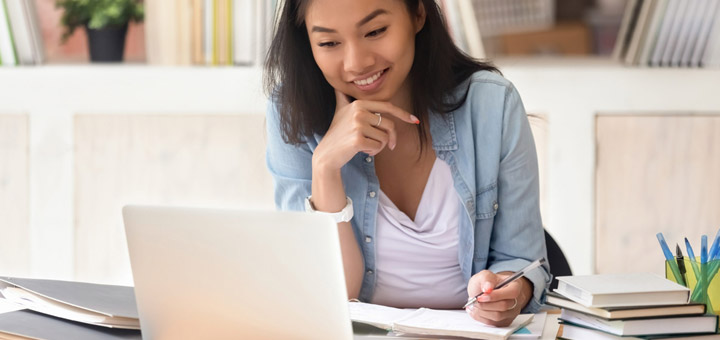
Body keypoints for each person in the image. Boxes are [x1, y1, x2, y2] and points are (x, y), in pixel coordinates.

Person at [264, 0, 551, 327]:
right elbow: (327, 297)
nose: (357, 63)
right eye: (329, 43)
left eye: (375, 31)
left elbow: (525, 260)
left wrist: (508, 291)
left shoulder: (491, 105)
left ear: (418, 14)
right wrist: (325, 167)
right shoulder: (293, 114)